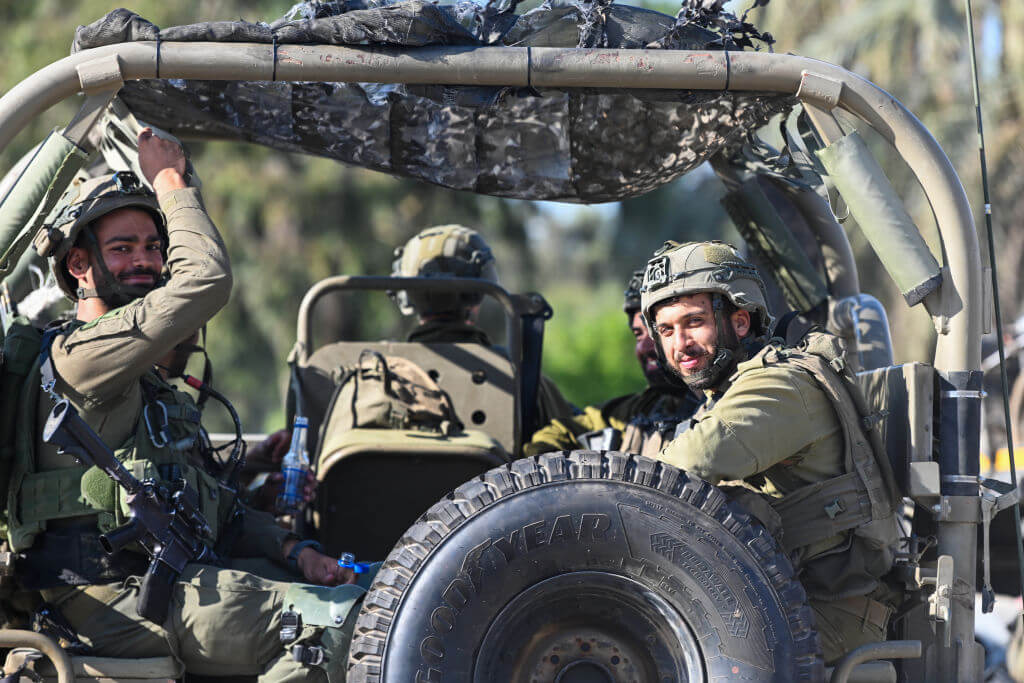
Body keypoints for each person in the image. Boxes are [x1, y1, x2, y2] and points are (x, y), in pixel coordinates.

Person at [9, 130, 365, 680]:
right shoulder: (82, 356)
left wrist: (297, 552)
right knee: (340, 625)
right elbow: (207, 280)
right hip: (113, 599)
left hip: (165, 579)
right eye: (122, 249)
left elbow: (207, 504)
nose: (145, 262)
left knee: (381, 588)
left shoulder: (145, 380)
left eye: (153, 247)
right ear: (78, 265)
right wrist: (170, 180)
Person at [640, 240, 901, 665]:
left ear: (740, 322)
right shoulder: (728, 391)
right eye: (666, 330)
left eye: (694, 322)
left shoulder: (779, 386)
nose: (680, 344)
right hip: (787, 602)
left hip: (831, 614)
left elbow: (678, 471)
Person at [392, 224, 577, 431]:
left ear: (405, 295)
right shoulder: (518, 375)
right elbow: (573, 430)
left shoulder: (376, 371)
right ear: (478, 296)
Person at [525, 269, 701, 457]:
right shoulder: (644, 407)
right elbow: (565, 431)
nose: (645, 346)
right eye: (638, 334)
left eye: (658, 331)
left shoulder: (723, 408)